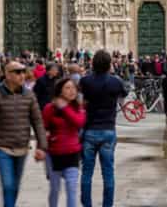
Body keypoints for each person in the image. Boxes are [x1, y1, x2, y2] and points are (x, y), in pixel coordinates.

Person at [0, 61, 47, 207]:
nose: (22, 75)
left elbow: (38, 121)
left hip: (22, 146)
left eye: (23, 71)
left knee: (14, 186)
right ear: (7, 74)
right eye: (18, 72)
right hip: (2, 146)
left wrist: (41, 146)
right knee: (8, 185)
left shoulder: (29, 95)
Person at [78, 50, 127, 207]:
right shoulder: (116, 81)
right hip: (108, 130)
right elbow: (123, 99)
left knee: (86, 173)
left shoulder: (85, 81)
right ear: (109, 64)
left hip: (90, 129)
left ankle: (87, 205)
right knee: (108, 172)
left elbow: (80, 103)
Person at [43, 77, 86, 207]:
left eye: (73, 88)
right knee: (55, 189)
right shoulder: (49, 108)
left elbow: (79, 122)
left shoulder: (79, 108)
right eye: (67, 88)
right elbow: (43, 128)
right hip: (53, 154)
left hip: (72, 153)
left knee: (71, 188)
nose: (72, 91)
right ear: (60, 91)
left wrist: (65, 108)